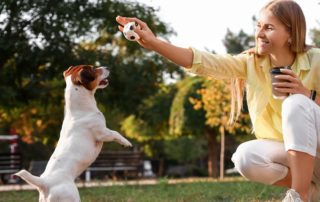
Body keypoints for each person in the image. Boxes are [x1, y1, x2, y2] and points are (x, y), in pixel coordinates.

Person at [116, 0, 320, 201]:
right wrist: (154, 43)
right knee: (246, 157)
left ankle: (298, 196)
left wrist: (307, 94)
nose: (259, 34)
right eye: (258, 26)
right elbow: (203, 62)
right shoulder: (250, 63)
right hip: (291, 155)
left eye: (269, 28)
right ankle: (310, 189)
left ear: (291, 33)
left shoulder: (316, 60)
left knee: (296, 103)